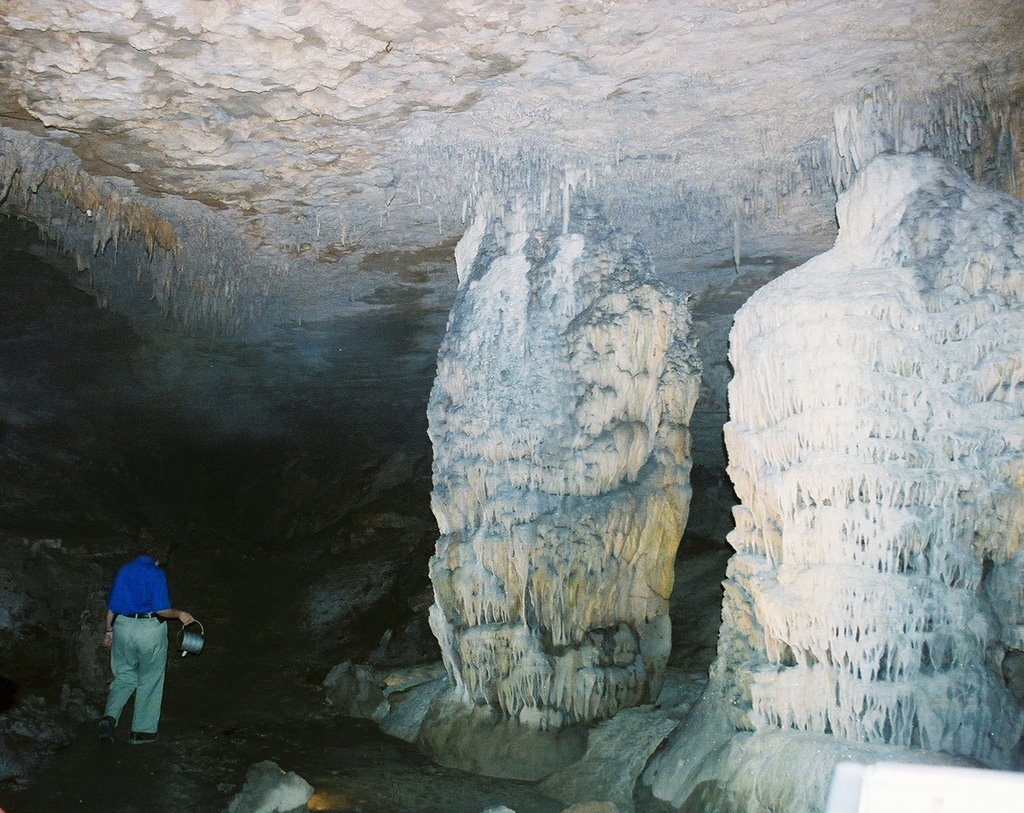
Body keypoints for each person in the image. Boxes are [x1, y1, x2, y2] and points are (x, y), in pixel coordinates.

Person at [98, 538, 195, 744]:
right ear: (160, 558)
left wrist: (109, 631)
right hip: (149, 630)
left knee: (124, 675)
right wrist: (180, 614)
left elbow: (112, 606)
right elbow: (162, 610)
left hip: (122, 626)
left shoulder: (125, 569)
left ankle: (109, 717)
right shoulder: (156, 573)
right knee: (150, 678)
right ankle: (141, 731)